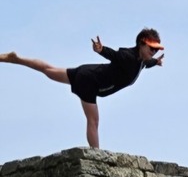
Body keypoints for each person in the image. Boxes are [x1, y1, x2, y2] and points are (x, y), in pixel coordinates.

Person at [0, 28, 164, 149]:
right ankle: (96, 155)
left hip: (88, 73)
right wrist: (101, 50)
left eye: (156, 50)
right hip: (90, 81)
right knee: (93, 120)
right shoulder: (128, 56)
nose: (154, 52)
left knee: (49, 70)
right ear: (141, 43)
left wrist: (156, 62)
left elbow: (146, 64)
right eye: (152, 49)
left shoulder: (142, 60)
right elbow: (113, 55)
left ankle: (17, 59)